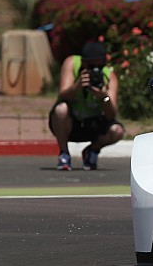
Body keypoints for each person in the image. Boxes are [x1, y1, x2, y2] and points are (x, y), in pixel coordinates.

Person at [49, 41, 125, 170]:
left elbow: (111, 115)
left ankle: (92, 151)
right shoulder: (72, 63)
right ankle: (64, 154)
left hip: (92, 124)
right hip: (70, 123)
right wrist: (77, 86)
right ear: (84, 63)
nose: (95, 70)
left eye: (99, 66)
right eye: (91, 66)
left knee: (117, 131)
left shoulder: (109, 77)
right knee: (61, 109)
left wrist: (104, 97)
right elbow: (63, 94)